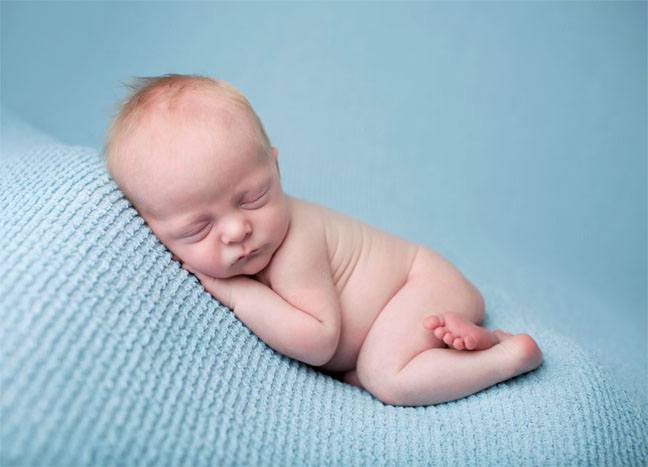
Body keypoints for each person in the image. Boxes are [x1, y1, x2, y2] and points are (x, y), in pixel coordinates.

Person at [103, 74, 543, 406]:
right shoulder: (243, 238)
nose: (238, 230)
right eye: (198, 229)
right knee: (365, 371)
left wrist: (237, 295)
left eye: (254, 197)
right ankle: (474, 344)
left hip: (420, 285)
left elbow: (318, 341)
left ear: (276, 168)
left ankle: (509, 356)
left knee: (385, 377)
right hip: (405, 307)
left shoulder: (295, 243)